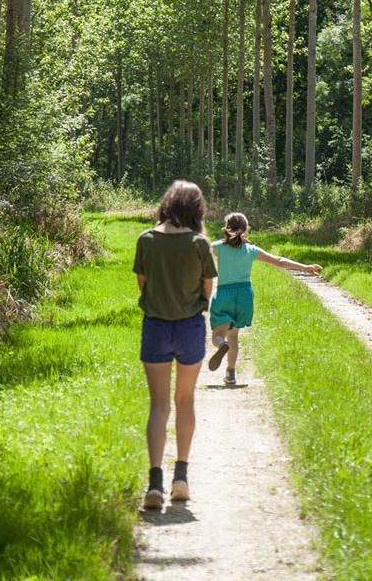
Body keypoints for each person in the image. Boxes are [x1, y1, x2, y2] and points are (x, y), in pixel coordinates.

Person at [134, 180, 218, 511]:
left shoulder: (146, 240)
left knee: (158, 406)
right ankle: (180, 478)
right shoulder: (199, 243)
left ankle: (154, 482)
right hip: (189, 327)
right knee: (184, 401)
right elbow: (207, 288)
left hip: (155, 326)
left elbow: (143, 285)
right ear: (197, 209)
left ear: (166, 204)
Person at [207, 212, 322, 386]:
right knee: (234, 336)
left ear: (226, 228)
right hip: (245, 296)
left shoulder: (218, 247)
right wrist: (305, 268)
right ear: (247, 230)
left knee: (219, 335)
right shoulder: (251, 250)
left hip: (224, 295)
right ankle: (230, 373)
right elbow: (279, 260)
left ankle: (221, 345)